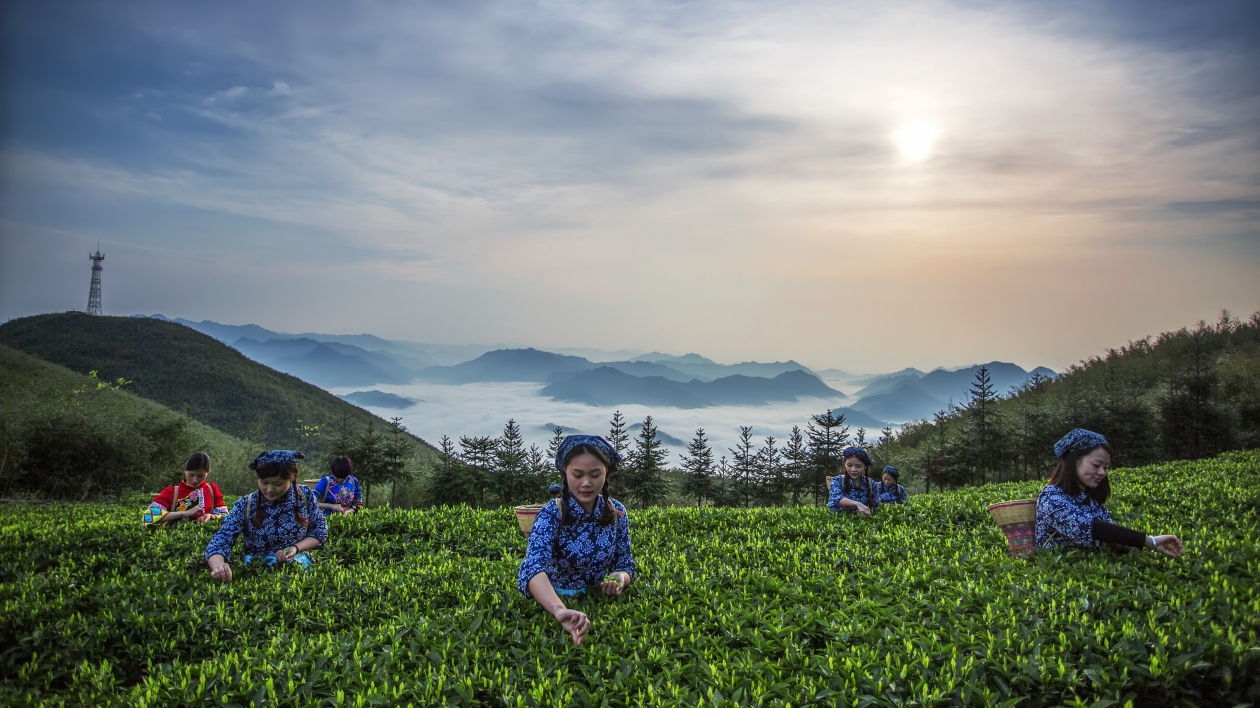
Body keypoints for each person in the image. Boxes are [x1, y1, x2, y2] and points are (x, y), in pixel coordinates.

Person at [518, 435, 635, 646]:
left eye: (595, 474)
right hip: (555, 602)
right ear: (565, 473)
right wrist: (559, 610)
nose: (586, 483)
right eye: (577, 475)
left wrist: (619, 578)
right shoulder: (552, 513)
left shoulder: (616, 512)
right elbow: (532, 567)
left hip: (601, 605)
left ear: (606, 473)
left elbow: (625, 562)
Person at [1035, 429, 1183, 557]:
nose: (1102, 473)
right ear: (1074, 460)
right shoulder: (1051, 497)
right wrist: (1150, 541)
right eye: (1096, 465)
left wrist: (1121, 543)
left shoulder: (1091, 501)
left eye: (1106, 468)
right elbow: (1092, 528)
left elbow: (1110, 532)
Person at [205, 450, 329, 582]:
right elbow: (223, 538)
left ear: (291, 478)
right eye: (264, 483)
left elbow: (320, 530)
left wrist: (295, 548)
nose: (269, 489)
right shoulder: (247, 504)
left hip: (297, 571)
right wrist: (218, 566)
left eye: (278, 484)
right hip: (256, 573)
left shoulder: (304, 496)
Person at [143, 452, 228, 529]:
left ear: (207, 473)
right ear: (184, 470)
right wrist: (184, 513)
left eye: (200, 476)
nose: (195, 480)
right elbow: (148, 516)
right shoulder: (171, 492)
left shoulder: (212, 490)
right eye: (191, 475)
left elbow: (226, 516)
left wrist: (211, 516)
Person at [828, 446, 880, 515]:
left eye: (858, 466)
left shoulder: (871, 484)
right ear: (845, 465)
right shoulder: (838, 481)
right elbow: (837, 498)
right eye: (849, 465)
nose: (853, 470)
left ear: (865, 467)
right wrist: (857, 504)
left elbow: (875, 504)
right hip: (840, 523)